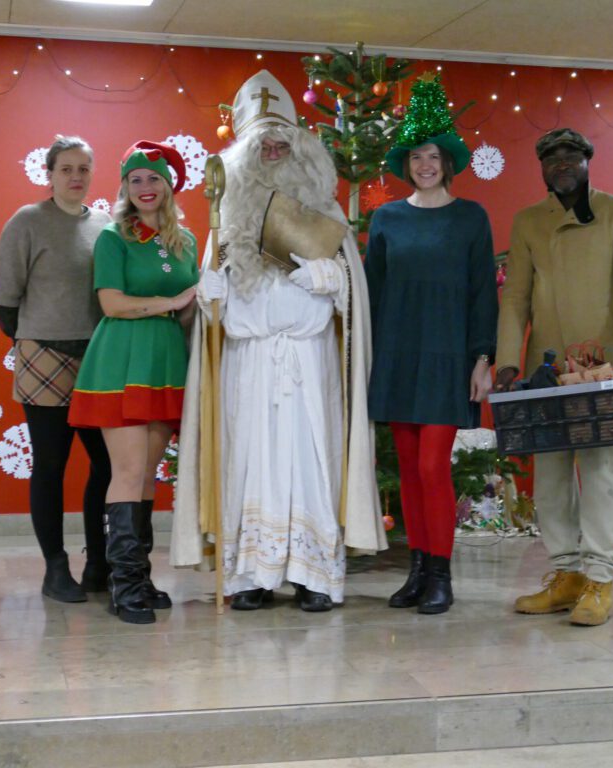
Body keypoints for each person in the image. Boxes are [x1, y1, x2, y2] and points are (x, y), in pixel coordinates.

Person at [171, 70, 384, 612]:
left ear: (300, 148)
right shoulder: (226, 217)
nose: (272, 148)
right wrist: (209, 296)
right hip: (248, 361)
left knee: (312, 460)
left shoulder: (326, 211)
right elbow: (212, 320)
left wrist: (331, 280)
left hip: (311, 362)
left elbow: (354, 298)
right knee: (250, 460)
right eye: (261, 141)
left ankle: (313, 575)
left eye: (281, 140)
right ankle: (253, 576)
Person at [494, 128, 613, 627]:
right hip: (547, 371)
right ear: (541, 167)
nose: (561, 165)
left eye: (571, 156)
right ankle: (565, 574)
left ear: (588, 161)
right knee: (550, 478)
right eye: (551, 159)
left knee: (604, 474)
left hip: (604, 369)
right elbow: (516, 295)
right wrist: (507, 360)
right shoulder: (528, 222)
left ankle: (600, 580)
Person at [365, 75, 499, 615]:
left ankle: (441, 572)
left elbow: (481, 292)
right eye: (417, 155)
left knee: (431, 467)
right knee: (405, 464)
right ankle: (418, 570)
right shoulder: (387, 218)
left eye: (434, 155)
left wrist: (483, 356)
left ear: (448, 161)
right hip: (397, 353)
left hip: (448, 356)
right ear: (407, 162)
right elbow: (372, 292)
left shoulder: (471, 218)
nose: (425, 163)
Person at [68, 141, 199, 625]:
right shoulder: (113, 237)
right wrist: (175, 301)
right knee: (124, 472)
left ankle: (141, 575)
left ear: (169, 185)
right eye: (135, 179)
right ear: (124, 187)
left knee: (147, 474)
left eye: (154, 178)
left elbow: (191, 305)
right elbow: (113, 303)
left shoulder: (184, 239)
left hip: (165, 361)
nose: (145, 187)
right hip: (122, 360)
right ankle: (123, 584)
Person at [0, 135, 112, 604]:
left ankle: (98, 562)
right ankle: (55, 568)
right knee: (51, 466)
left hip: (99, 357)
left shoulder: (105, 225)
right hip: (44, 357)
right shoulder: (28, 222)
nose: (75, 177)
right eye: (66, 169)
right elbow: (4, 301)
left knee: (106, 463)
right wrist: (38, 340)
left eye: (83, 168)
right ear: (50, 174)